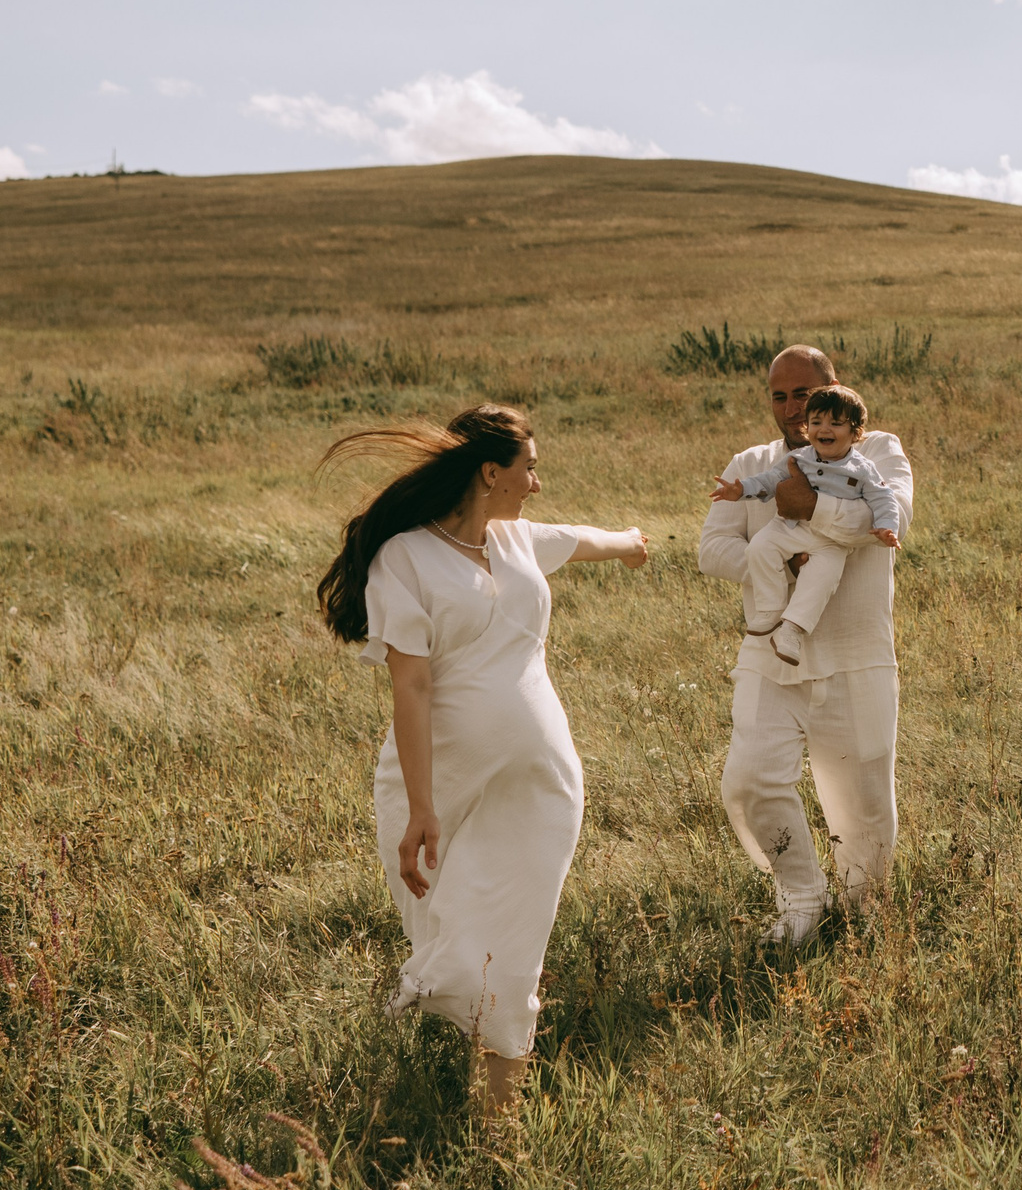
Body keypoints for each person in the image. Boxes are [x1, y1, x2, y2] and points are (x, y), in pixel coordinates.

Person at [314, 403, 649, 1115]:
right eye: (530, 467)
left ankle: (499, 1125)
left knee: (515, 944)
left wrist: (631, 541)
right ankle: (449, 1049)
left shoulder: (519, 542)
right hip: (442, 785)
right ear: (491, 470)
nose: (536, 482)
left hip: (540, 784)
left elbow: (586, 538)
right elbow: (412, 683)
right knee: (461, 949)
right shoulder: (404, 557)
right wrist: (423, 806)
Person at [698, 346, 914, 947]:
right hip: (770, 654)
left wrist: (810, 509)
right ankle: (801, 897)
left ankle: (865, 919)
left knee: (864, 805)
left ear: (833, 390)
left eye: (803, 394)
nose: (794, 409)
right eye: (779, 396)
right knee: (748, 781)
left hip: (855, 654)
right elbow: (711, 549)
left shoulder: (878, 450)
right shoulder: (753, 462)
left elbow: (897, 521)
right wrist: (781, 553)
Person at [707, 382, 903, 669]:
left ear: (855, 432)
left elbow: (883, 498)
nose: (824, 429)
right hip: (788, 527)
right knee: (760, 547)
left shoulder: (862, 468)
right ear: (807, 428)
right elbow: (768, 480)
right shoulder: (796, 458)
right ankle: (770, 609)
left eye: (836, 424)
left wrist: (887, 527)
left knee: (820, 579)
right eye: (816, 422)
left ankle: (792, 631)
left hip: (830, 541)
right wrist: (741, 490)